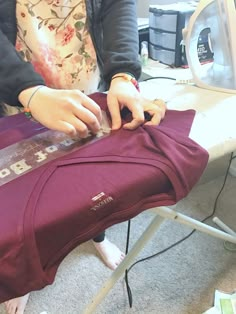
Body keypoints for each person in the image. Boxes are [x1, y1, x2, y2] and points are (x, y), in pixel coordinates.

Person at [0, 0, 166, 313]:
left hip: (88, 86)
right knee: (29, 194)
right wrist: (29, 92)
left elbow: (118, 4)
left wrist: (122, 74)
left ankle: (97, 236)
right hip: (19, 92)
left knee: (89, 185)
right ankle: (26, 276)